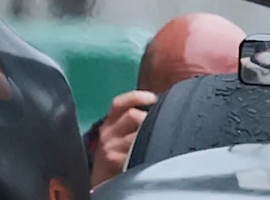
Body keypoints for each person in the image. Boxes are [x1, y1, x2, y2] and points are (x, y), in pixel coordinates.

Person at [83, 9, 252, 185]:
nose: (209, 130)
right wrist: (107, 186)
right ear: (143, 107)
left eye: (230, 104)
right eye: (188, 106)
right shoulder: (75, 164)